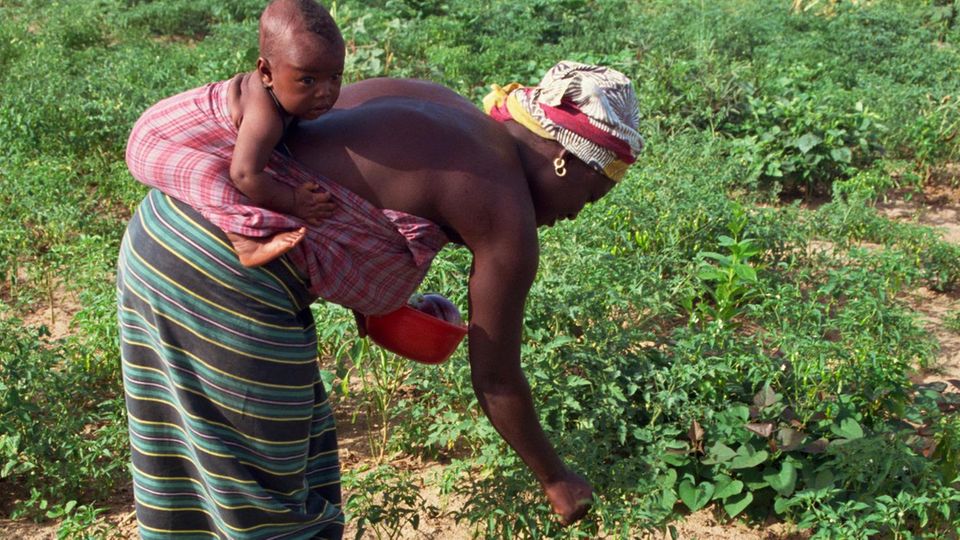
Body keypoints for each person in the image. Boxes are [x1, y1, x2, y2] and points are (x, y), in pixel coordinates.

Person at [118, 61, 642, 538]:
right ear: (566, 161)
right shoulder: (504, 207)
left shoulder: (434, 102)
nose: (575, 215)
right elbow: (497, 378)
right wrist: (557, 478)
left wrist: (381, 298)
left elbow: (326, 175)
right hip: (221, 273)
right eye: (590, 197)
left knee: (235, 461)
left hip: (160, 229)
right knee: (265, 495)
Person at [125, 0, 343, 268]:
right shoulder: (264, 118)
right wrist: (294, 200)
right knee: (211, 173)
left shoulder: (279, 97)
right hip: (153, 142)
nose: (325, 92)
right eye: (308, 80)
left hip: (166, 131)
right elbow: (245, 175)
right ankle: (244, 240)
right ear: (266, 73)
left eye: (335, 76)